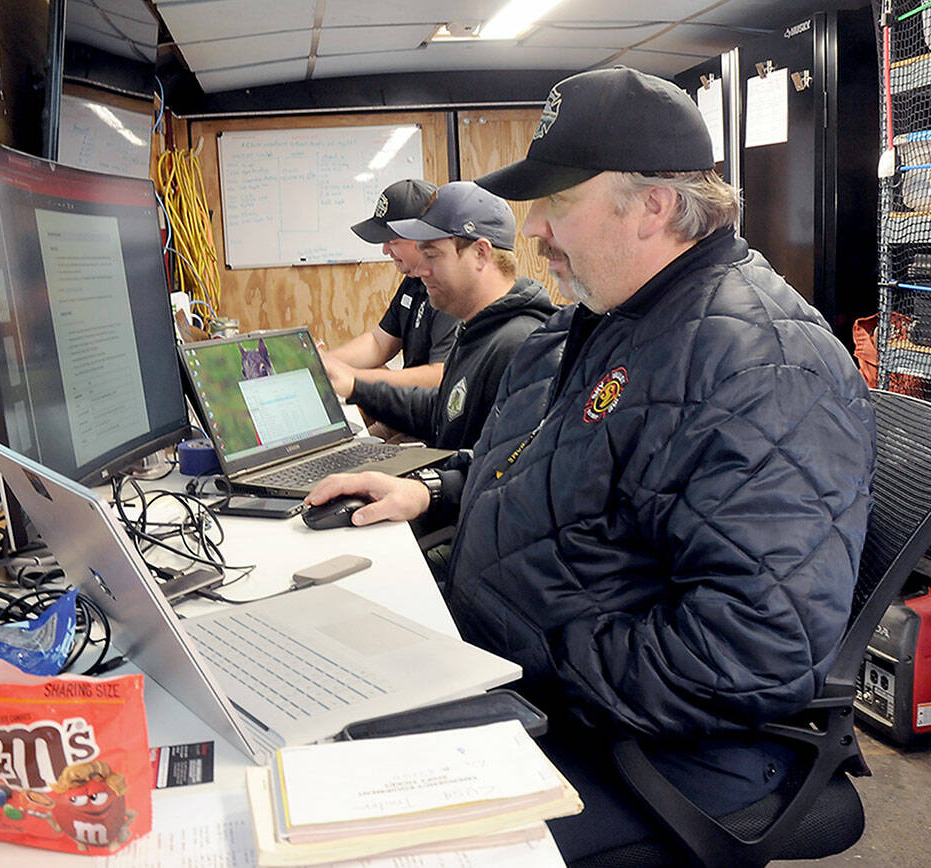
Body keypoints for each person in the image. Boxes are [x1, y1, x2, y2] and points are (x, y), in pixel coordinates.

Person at [306, 67, 875, 861]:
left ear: (655, 206)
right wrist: (429, 489)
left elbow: (752, 650)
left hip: (654, 745)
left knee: (366, 844)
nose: (536, 228)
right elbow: (545, 464)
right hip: (538, 677)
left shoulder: (762, 367)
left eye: (560, 202)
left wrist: (525, 655)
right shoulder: (613, 316)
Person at [325, 181, 556, 450]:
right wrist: (353, 385)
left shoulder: (517, 345)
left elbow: (501, 470)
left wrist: (427, 488)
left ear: (480, 254)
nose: (420, 270)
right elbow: (442, 412)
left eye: (432, 255)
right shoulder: (478, 330)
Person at [324, 179, 459, 391]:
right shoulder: (413, 282)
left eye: (393, 242)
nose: (385, 250)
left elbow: (440, 375)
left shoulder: (451, 289)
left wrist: (354, 378)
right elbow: (379, 343)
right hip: (413, 408)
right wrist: (325, 363)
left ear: (420, 237)